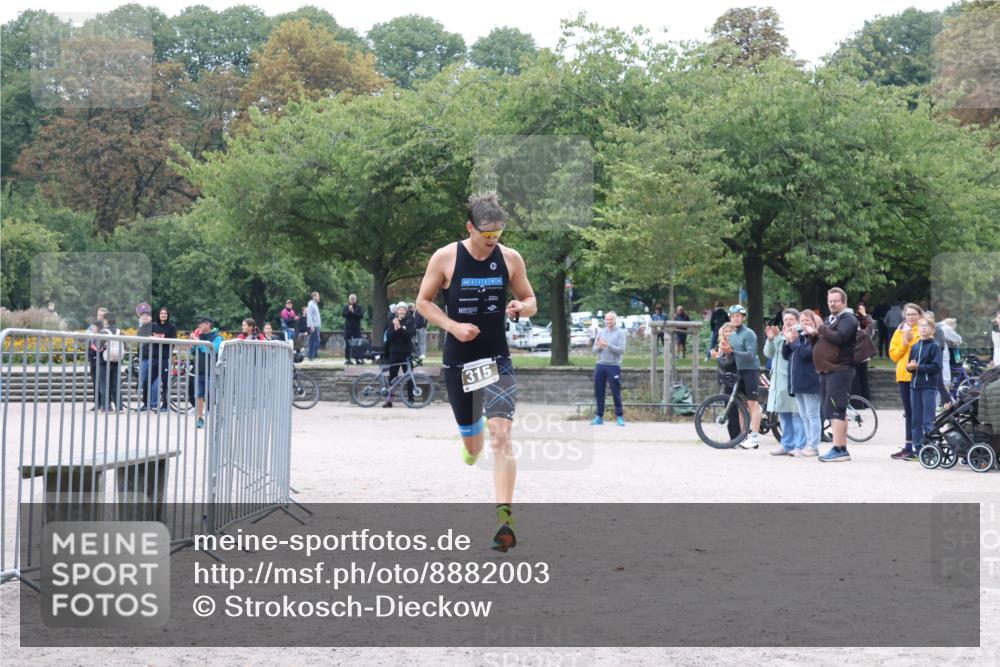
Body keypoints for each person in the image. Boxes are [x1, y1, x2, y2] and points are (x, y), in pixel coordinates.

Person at [415, 191, 537, 552]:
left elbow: (531, 300)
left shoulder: (510, 258)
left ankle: (505, 521)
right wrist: (453, 327)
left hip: (496, 357)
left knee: (502, 436)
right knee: (475, 442)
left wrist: (520, 308)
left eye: (497, 233)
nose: (491, 240)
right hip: (460, 359)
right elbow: (422, 302)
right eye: (485, 234)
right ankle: (471, 439)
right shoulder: (446, 257)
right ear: (470, 227)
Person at [808, 288, 859, 463]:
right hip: (827, 371)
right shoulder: (832, 320)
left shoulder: (848, 318)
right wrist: (814, 335)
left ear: (844, 302)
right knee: (836, 410)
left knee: (836, 410)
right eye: (830, 301)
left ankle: (839, 449)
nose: (832, 304)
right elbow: (825, 340)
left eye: (836, 301)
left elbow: (841, 337)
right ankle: (841, 448)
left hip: (840, 370)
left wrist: (821, 327)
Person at [764, 308, 804, 456]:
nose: (788, 322)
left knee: (797, 414)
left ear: (797, 321)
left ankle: (800, 445)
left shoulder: (799, 335)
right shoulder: (778, 335)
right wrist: (770, 339)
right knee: (784, 415)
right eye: (786, 319)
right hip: (778, 382)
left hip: (791, 380)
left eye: (791, 319)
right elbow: (768, 353)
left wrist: (787, 338)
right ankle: (786, 444)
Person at [888, 303, 924, 460]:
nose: (910, 317)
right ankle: (909, 447)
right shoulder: (900, 331)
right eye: (908, 314)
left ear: (920, 315)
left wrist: (910, 342)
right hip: (903, 376)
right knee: (908, 413)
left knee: (919, 412)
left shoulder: (923, 329)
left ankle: (920, 446)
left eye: (913, 314)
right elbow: (894, 355)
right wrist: (904, 343)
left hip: (918, 376)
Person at [784, 311, 822, 457]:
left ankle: (814, 446)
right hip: (798, 382)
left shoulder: (815, 338)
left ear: (813, 322)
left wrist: (794, 342)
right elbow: (786, 354)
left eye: (807, 320)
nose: (804, 323)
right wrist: (788, 340)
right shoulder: (800, 336)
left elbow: (805, 354)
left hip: (810, 382)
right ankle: (808, 443)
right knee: (804, 415)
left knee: (812, 415)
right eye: (802, 320)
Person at [726, 304, 762, 449]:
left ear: (743, 317)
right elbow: (731, 356)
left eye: (738, 316)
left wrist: (732, 352)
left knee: (752, 404)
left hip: (751, 370)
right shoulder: (732, 336)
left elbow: (750, 355)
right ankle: (743, 436)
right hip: (740, 371)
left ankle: (754, 438)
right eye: (733, 316)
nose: (736, 318)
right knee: (741, 405)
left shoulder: (749, 334)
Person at [908, 317, 945, 455]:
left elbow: (936, 367)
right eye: (921, 325)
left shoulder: (934, 346)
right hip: (914, 386)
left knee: (928, 420)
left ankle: (931, 446)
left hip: (928, 386)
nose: (923, 328)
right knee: (915, 419)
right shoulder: (915, 346)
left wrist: (919, 367)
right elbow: (910, 365)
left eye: (926, 326)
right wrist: (910, 367)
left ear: (932, 330)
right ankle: (917, 447)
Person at [592, 311, 627, 426]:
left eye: (611, 319)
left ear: (615, 320)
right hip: (600, 364)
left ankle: (620, 416)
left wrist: (607, 345)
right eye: (607, 319)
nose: (609, 322)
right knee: (599, 391)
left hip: (613, 365)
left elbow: (621, 350)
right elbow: (593, 351)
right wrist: (599, 346)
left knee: (615, 392)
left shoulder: (620, 333)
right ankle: (599, 416)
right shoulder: (601, 332)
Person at [710, 323, 743, 442]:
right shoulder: (722, 345)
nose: (728, 333)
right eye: (726, 331)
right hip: (726, 380)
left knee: (732, 411)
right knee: (730, 411)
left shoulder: (732, 346)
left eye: (730, 331)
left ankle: (737, 437)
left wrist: (718, 357)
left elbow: (728, 364)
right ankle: (734, 438)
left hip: (733, 380)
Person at [190, 316, 223, 429]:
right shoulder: (199, 336)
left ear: (208, 324)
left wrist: (198, 342)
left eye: (202, 323)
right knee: (199, 395)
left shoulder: (217, 337)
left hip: (211, 371)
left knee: (214, 395)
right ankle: (200, 418)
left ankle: (219, 417)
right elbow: (193, 351)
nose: (199, 326)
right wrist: (194, 343)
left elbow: (211, 350)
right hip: (199, 370)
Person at [381, 303, 415, 407]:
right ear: (397, 311)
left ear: (406, 311)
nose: (402, 311)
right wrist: (397, 329)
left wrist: (399, 327)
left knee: (409, 376)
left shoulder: (410, 321)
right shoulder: (392, 322)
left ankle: (410, 399)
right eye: (400, 310)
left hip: (406, 352)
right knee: (392, 377)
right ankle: (389, 400)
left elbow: (409, 335)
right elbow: (389, 337)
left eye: (404, 310)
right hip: (394, 352)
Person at [151, 307, 177, 412]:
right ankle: (149, 403)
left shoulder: (172, 327)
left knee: (165, 382)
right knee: (150, 381)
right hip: (154, 357)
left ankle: (165, 405)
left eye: (165, 313)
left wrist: (161, 339)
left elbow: (173, 341)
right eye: (162, 313)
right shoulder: (153, 326)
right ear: (159, 315)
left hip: (165, 358)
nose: (163, 315)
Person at [96, 313, 123, 412]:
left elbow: (98, 346)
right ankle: (119, 407)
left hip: (104, 361)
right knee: (116, 384)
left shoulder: (104, 332)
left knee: (104, 384)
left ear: (106, 320)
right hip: (117, 360)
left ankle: (107, 407)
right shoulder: (120, 332)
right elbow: (127, 346)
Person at [852, 303, 877, 401]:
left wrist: (863, 315)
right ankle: (865, 400)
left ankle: (859, 402)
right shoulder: (862, 333)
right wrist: (864, 314)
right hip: (862, 358)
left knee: (857, 381)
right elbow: (870, 325)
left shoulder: (849, 332)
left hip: (854, 359)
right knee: (862, 379)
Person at [137, 310, 156, 411]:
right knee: (144, 381)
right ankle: (146, 403)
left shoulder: (154, 327)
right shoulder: (140, 328)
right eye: (142, 316)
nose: (144, 317)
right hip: (143, 357)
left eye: (146, 316)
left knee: (153, 382)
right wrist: (137, 355)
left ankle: (154, 403)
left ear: (151, 317)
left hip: (152, 357)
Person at [342, 294, 364, 364]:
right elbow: (344, 315)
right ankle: (348, 359)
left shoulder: (359, 307)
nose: (352, 301)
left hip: (356, 329)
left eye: (353, 299)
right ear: (349, 300)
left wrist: (353, 312)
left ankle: (357, 359)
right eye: (351, 299)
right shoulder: (346, 306)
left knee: (357, 344)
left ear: (356, 299)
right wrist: (349, 310)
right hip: (348, 329)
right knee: (348, 344)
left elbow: (360, 316)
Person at [306, 292, 322, 360]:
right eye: (318, 296)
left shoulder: (315, 305)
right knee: (313, 341)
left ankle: (315, 355)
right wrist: (311, 325)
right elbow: (309, 315)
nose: (319, 297)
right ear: (314, 297)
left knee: (317, 340)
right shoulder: (311, 305)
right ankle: (311, 356)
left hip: (317, 325)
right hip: (313, 326)